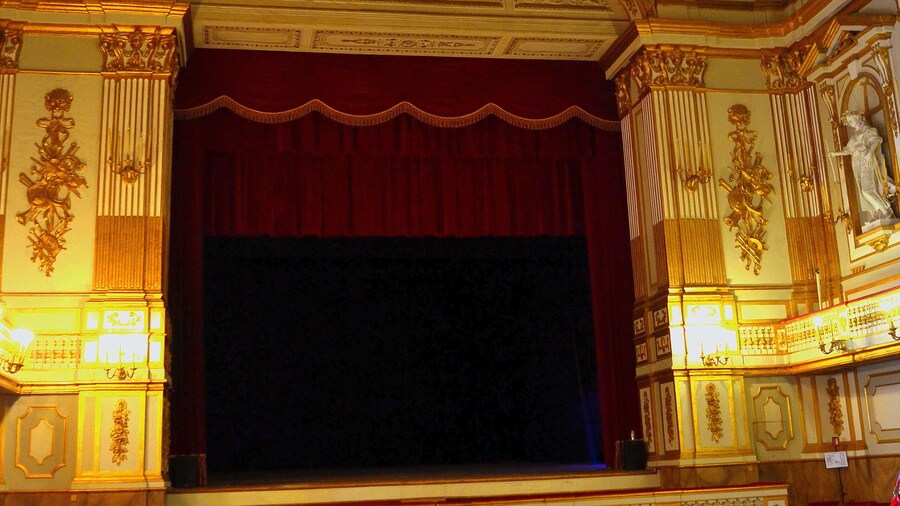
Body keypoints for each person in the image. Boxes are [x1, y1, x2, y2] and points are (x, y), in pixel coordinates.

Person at [829, 111, 897, 226]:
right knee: (863, 191)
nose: (850, 123)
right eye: (849, 122)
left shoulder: (869, 130)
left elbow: (875, 141)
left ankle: (887, 212)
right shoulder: (855, 136)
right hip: (857, 164)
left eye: (851, 120)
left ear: (858, 118)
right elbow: (848, 150)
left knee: (868, 190)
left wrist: (870, 153)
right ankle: (878, 211)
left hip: (867, 161)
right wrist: (835, 154)